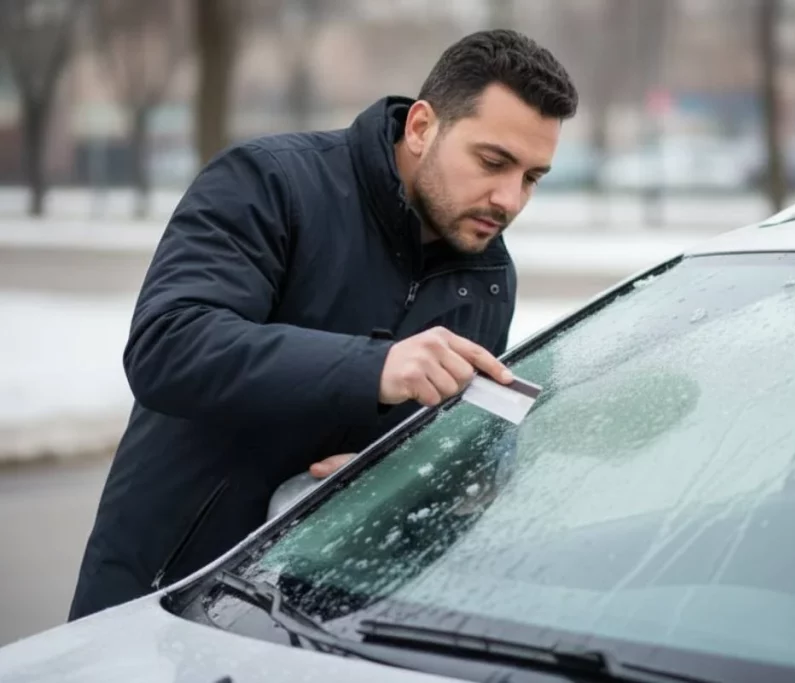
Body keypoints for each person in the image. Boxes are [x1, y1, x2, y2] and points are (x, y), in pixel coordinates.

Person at [68, 28, 578, 620]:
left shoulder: (489, 278)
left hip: (331, 624)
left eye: (532, 178)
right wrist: (374, 366)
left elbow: (450, 455)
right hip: (165, 595)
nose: (509, 200)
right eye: (493, 162)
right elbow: (169, 345)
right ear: (420, 128)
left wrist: (424, 476)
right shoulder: (271, 182)